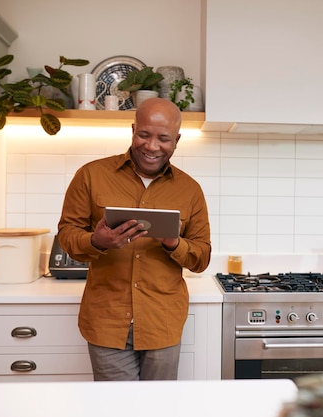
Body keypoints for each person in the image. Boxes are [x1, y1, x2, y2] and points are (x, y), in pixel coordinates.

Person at [57, 98, 211, 381]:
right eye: (144, 135)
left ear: (176, 139)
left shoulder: (190, 190)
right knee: (116, 409)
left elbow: (201, 258)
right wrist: (98, 241)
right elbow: (67, 236)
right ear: (133, 130)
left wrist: (174, 243)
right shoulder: (91, 175)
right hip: (106, 320)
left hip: (162, 320)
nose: (152, 146)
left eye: (163, 138)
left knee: (158, 409)